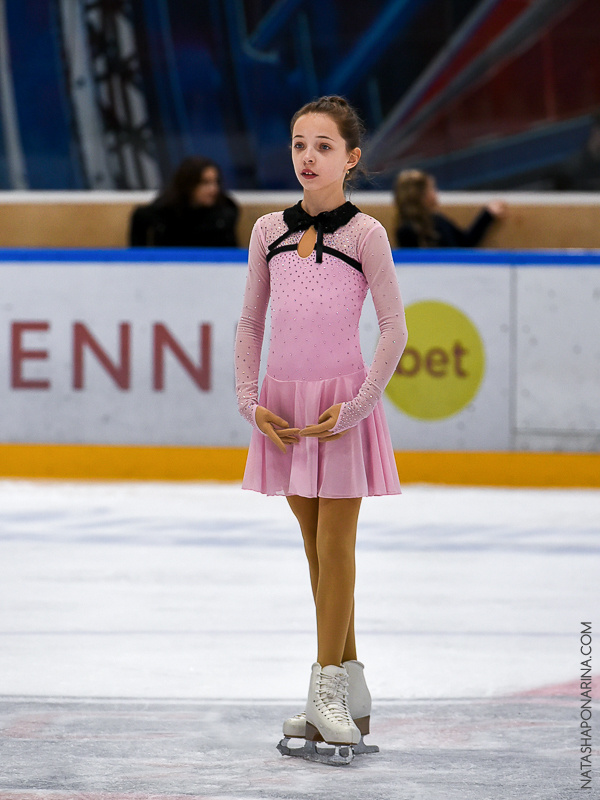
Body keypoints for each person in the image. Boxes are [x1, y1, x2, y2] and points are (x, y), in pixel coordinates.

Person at [234, 96, 407, 765]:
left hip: (342, 407)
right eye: (299, 143)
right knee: (314, 553)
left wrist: (360, 406)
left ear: (352, 158)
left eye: (324, 145)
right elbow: (251, 322)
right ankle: (351, 688)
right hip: (283, 408)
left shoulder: (366, 236)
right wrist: (251, 403)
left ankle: (325, 689)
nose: (308, 156)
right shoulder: (267, 229)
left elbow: (395, 329)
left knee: (336, 549)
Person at [129, 156, 238, 247]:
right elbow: (140, 217)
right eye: (205, 183)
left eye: (216, 182)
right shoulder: (165, 210)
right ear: (188, 185)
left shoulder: (224, 212)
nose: (213, 189)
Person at [395, 169, 506, 247]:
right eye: (432, 188)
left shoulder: (438, 221)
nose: (435, 193)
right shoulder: (407, 232)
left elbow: (465, 243)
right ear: (421, 196)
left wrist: (487, 215)